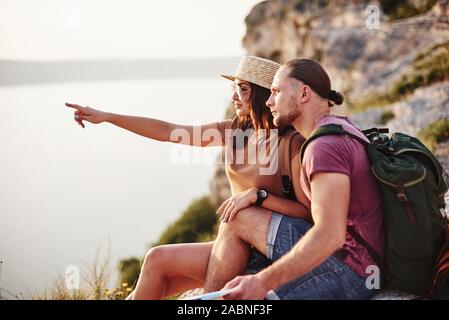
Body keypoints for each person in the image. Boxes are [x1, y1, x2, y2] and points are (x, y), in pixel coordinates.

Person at [65, 56, 311, 300]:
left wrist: (258, 197)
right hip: (235, 244)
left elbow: (306, 213)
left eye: (243, 89)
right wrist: (108, 117)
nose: (234, 96)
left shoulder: (291, 143)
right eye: (234, 87)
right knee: (156, 260)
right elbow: (169, 132)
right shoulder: (237, 131)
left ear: (264, 95)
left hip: (268, 248)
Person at [205, 58, 384, 300]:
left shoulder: (324, 146)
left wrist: (261, 281)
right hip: (355, 258)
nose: (269, 101)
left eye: (276, 92)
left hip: (352, 269)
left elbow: (330, 234)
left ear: (303, 93)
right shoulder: (336, 127)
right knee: (240, 218)